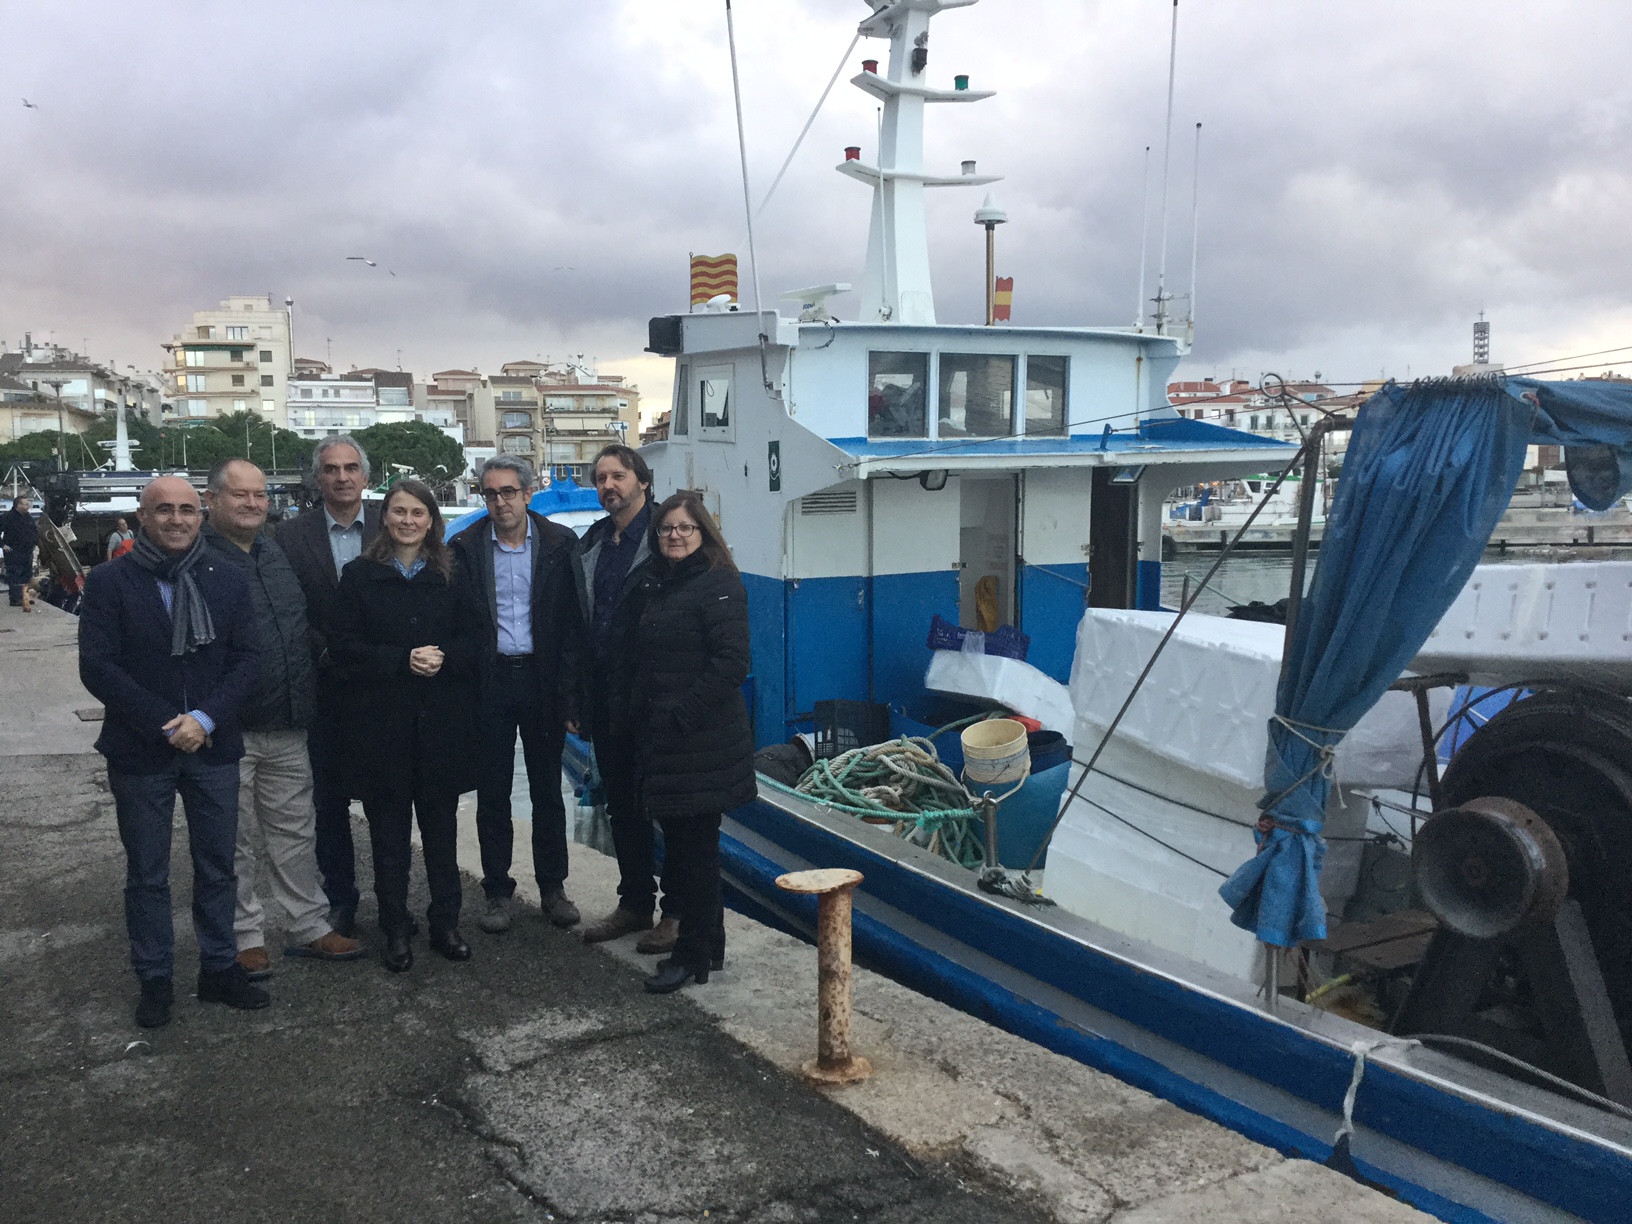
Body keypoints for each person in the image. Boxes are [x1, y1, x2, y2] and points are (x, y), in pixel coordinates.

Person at [78, 475, 266, 1028]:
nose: (177, 519)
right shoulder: (109, 582)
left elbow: (248, 660)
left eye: (187, 509)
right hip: (141, 749)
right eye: (164, 510)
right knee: (147, 872)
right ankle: (155, 977)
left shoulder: (227, 578)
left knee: (218, 866)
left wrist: (204, 718)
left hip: (213, 744)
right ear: (143, 516)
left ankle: (219, 967)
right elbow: (98, 666)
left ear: (200, 515)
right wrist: (167, 724)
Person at [202, 459, 366, 978]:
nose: (252, 504)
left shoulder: (275, 551)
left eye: (259, 495)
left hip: (290, 718)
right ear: (212, 500)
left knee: (295, 833)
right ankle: (244, 936)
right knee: (232, 839)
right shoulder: (196, 558)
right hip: (229, 725)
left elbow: (298, 624)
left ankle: (307, 924)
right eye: (240, 495)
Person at [329, 480, 483, 972]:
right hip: (382, 729)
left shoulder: (453, 573)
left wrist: (446, 656)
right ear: (385, 518)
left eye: (418, 513)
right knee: (389, 839)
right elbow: (343, 649)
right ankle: (395, 928)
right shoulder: (359, 576)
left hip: (441, 727)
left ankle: (446, 923)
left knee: (442, 836)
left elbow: (478, 640)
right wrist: (400, 660)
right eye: (399, 512)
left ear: (431, 520)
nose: (408, 521)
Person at [626, 493, 755, 993]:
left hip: (701, 742)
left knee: (693, 853)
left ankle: (689, 956)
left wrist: (681, 715)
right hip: (674, 744)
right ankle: (710, 948)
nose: (674, 536)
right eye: (665, 529)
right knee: (690, 849)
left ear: (703, 532)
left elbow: (731, 662)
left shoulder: (718, 583)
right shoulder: (665, 583)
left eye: (684, 528)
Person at [450, 456, 582, 935]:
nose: (500, 502)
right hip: (490, 681)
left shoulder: (558, 543)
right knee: (493, 792)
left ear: (528, 494)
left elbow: (572, 625)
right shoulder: (465, 548)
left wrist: (571, 695)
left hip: (541, 680)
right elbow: (457, 622)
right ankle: (497, 891)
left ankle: (553, 888)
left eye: (508, 492)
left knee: (548, 790)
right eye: (490, 493)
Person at [276, 436, 380, 937]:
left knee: (386, 799)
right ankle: (341, 899)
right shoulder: (289, 536)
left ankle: (394, 900)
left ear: (365, 476)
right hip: (321, 684)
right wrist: (329, 652)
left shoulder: (392, 522)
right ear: (318, 479)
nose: (342, 477)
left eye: (351, 468)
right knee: (328, 803)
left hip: (383, 685)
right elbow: (287, 608)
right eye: (332, 469)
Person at [573, 444, 675, 952]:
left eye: (617, 476)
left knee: (669, 809)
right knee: (623, 809)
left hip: (655, 700)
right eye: (600, 479)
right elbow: (579, 625)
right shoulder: (593, 542)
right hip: (606, 699)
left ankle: (677, 912)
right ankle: (635, 903)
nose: (608, 486)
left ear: (643, 481)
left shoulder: (668, 539)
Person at [2, 492, 38, 606]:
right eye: (26, 504)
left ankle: (25, 597)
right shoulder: (7, 517)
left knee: (26, 575)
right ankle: (15, 598)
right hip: (13, 551)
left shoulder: (28, 517)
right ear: (18, 505)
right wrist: (2, 545)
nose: (28, 506)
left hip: (27, 551)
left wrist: (34, 543)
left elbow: (34, 531)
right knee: (15, 575)